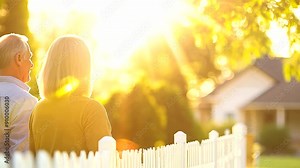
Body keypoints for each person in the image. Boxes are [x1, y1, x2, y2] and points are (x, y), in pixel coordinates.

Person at [29, 35, 111, 155]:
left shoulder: (38, 109)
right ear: (85, 69)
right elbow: (105, 160)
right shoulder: (92, 109)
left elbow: (32, 158)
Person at [0, 33, 38, 163]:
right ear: (19, 58)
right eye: (29, 58)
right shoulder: (25, 101)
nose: (32, 65)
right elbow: (20, 159)